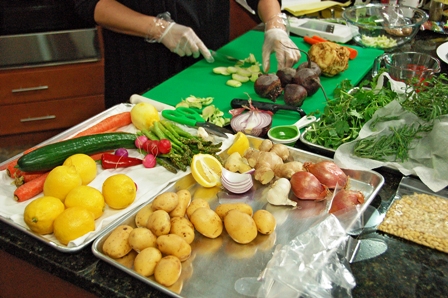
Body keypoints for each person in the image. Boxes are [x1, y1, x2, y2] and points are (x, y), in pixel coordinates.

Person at [74, 0, 300, 109]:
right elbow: (90, 4)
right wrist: (158, 29)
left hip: (208, 64)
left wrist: (274, 23)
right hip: (141, 67)